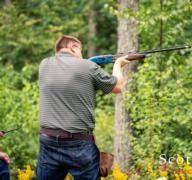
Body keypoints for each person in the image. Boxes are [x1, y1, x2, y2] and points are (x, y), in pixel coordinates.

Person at [36, 35, 130, 180]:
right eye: (80, 50)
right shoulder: (88, 67)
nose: (82, 55)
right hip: (79, 144)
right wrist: (118, 64)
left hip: (48, 141)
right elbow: (118, 87)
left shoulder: (44, 65)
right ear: (73, 47)